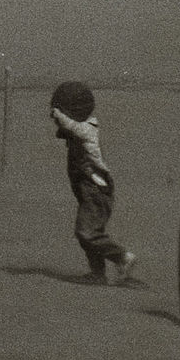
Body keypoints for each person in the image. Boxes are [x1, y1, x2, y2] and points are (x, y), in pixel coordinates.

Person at [48, 79, 137, 284]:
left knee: (86, 233)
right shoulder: (77, 128)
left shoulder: (88, 130)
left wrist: (59, 114)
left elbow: (72, 127)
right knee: (91, 234)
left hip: (96, 190)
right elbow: (66, 129)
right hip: (86, 190)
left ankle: (123, 257)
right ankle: (98, 274)